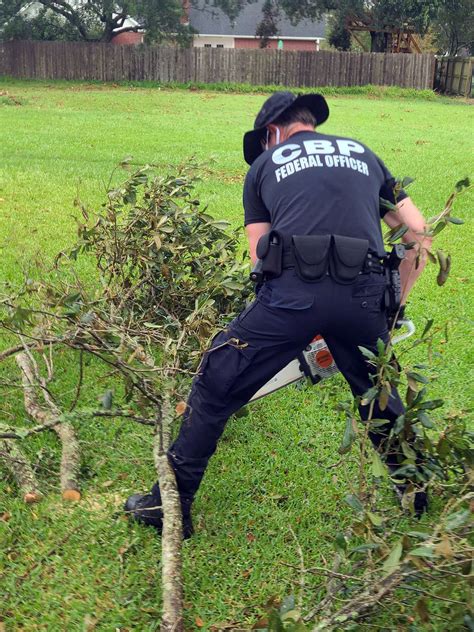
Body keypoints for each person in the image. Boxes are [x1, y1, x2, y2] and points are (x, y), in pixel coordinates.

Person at [125, 91, 432, 538]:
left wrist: (292, 323)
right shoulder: (367, 156)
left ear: (272, 132)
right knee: (378, 392)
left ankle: (167, 506)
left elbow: (260, 261)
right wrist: (390, 308)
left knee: (216, 382)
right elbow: (418, 235)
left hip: (292, 295)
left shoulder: (263, 167)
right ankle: (416, 494)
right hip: (364, 295)